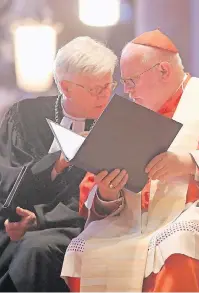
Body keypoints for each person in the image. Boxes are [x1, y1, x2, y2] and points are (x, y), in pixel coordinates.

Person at [61, 30, 199, 292]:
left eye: (132, 81)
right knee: (86, 248)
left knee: (181, 240)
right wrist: (108, 193)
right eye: (124, 83)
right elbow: (96, 198)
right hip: (137, 224)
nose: (127, 91)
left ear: (163, 71)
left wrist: (190, 163)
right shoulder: (126, 117)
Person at [0, 36, 117, 292]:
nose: (105, 96)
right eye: (95, 89)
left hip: (81, 225)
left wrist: (40, 219)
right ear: (66, 87)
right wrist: (59, 162)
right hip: (19, 222)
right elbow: (8, 177)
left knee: (36, 250)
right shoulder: (24, 116)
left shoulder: (117, 124)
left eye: (108, 85)